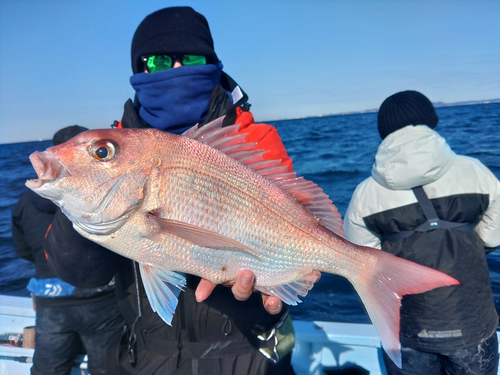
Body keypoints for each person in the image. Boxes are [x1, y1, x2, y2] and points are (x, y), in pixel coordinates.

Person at [44, 7, 316, 374]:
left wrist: (292, 278)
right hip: (146, 354)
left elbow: (296, 237)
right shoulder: (114, 152)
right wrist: (76, 195)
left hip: (248, 353)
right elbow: (79, 273)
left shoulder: (255, 141)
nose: (175, 71)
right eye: (157, 61)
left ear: (214, 64)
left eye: (189, 59)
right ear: (139, 71)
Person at [343, 90, 500, 374]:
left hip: (405, 331)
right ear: (431, 122)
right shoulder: (474, 171)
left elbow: (363, 260)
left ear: (383, 132)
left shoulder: (365, 194)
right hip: (472, 325)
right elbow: (493, 233)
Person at [12, 125, 126, 375]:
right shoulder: (102, 194)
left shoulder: (24, 202)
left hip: (50, 302)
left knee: (48, 369)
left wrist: (48, 261)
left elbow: (21, 250)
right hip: (101, 302)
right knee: (108, 368)